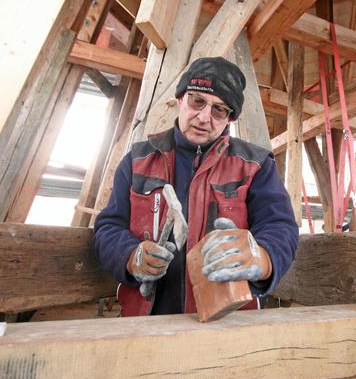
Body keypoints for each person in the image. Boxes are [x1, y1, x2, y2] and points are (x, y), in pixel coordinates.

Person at [94, 57, 299, 317]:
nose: (204, 117)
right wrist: (130, 256)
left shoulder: (256, 166)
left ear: (229, 118)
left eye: (219, 110)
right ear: (181, 99)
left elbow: (280, 227)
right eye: (197, 101)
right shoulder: (137, 161)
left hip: (227, 322)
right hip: (145, 321)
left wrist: (263, 258)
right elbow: (109, 227)